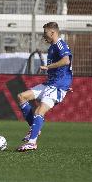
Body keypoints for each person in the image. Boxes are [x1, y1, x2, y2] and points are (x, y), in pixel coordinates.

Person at [16, 22, 73, 152]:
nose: (43, 36)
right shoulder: (52, 47)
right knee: (22, 97)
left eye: (45, 33)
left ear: (52, 32)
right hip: (51, 83)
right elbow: (67, 68)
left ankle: (32, 142)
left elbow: (66, 61)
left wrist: (48, 67)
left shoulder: (60, 44)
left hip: (57, 86)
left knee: (38, 111)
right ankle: (35, 129)